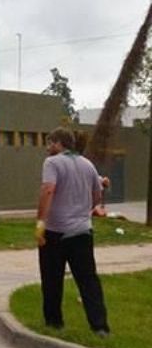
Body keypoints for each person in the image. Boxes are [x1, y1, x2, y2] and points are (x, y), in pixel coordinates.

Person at [34, 127, 110, 336]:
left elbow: (48, 190)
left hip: (55, 231)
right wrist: (84, 211)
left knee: (51, 279)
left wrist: (40, 223)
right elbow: (96, 195)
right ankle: (100, 326)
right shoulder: (88, 164)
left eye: (50, 143)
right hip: (82, 231)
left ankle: (54, 322)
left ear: (59, 143)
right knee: (88, 280)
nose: (48, 147)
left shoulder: (52, 163)